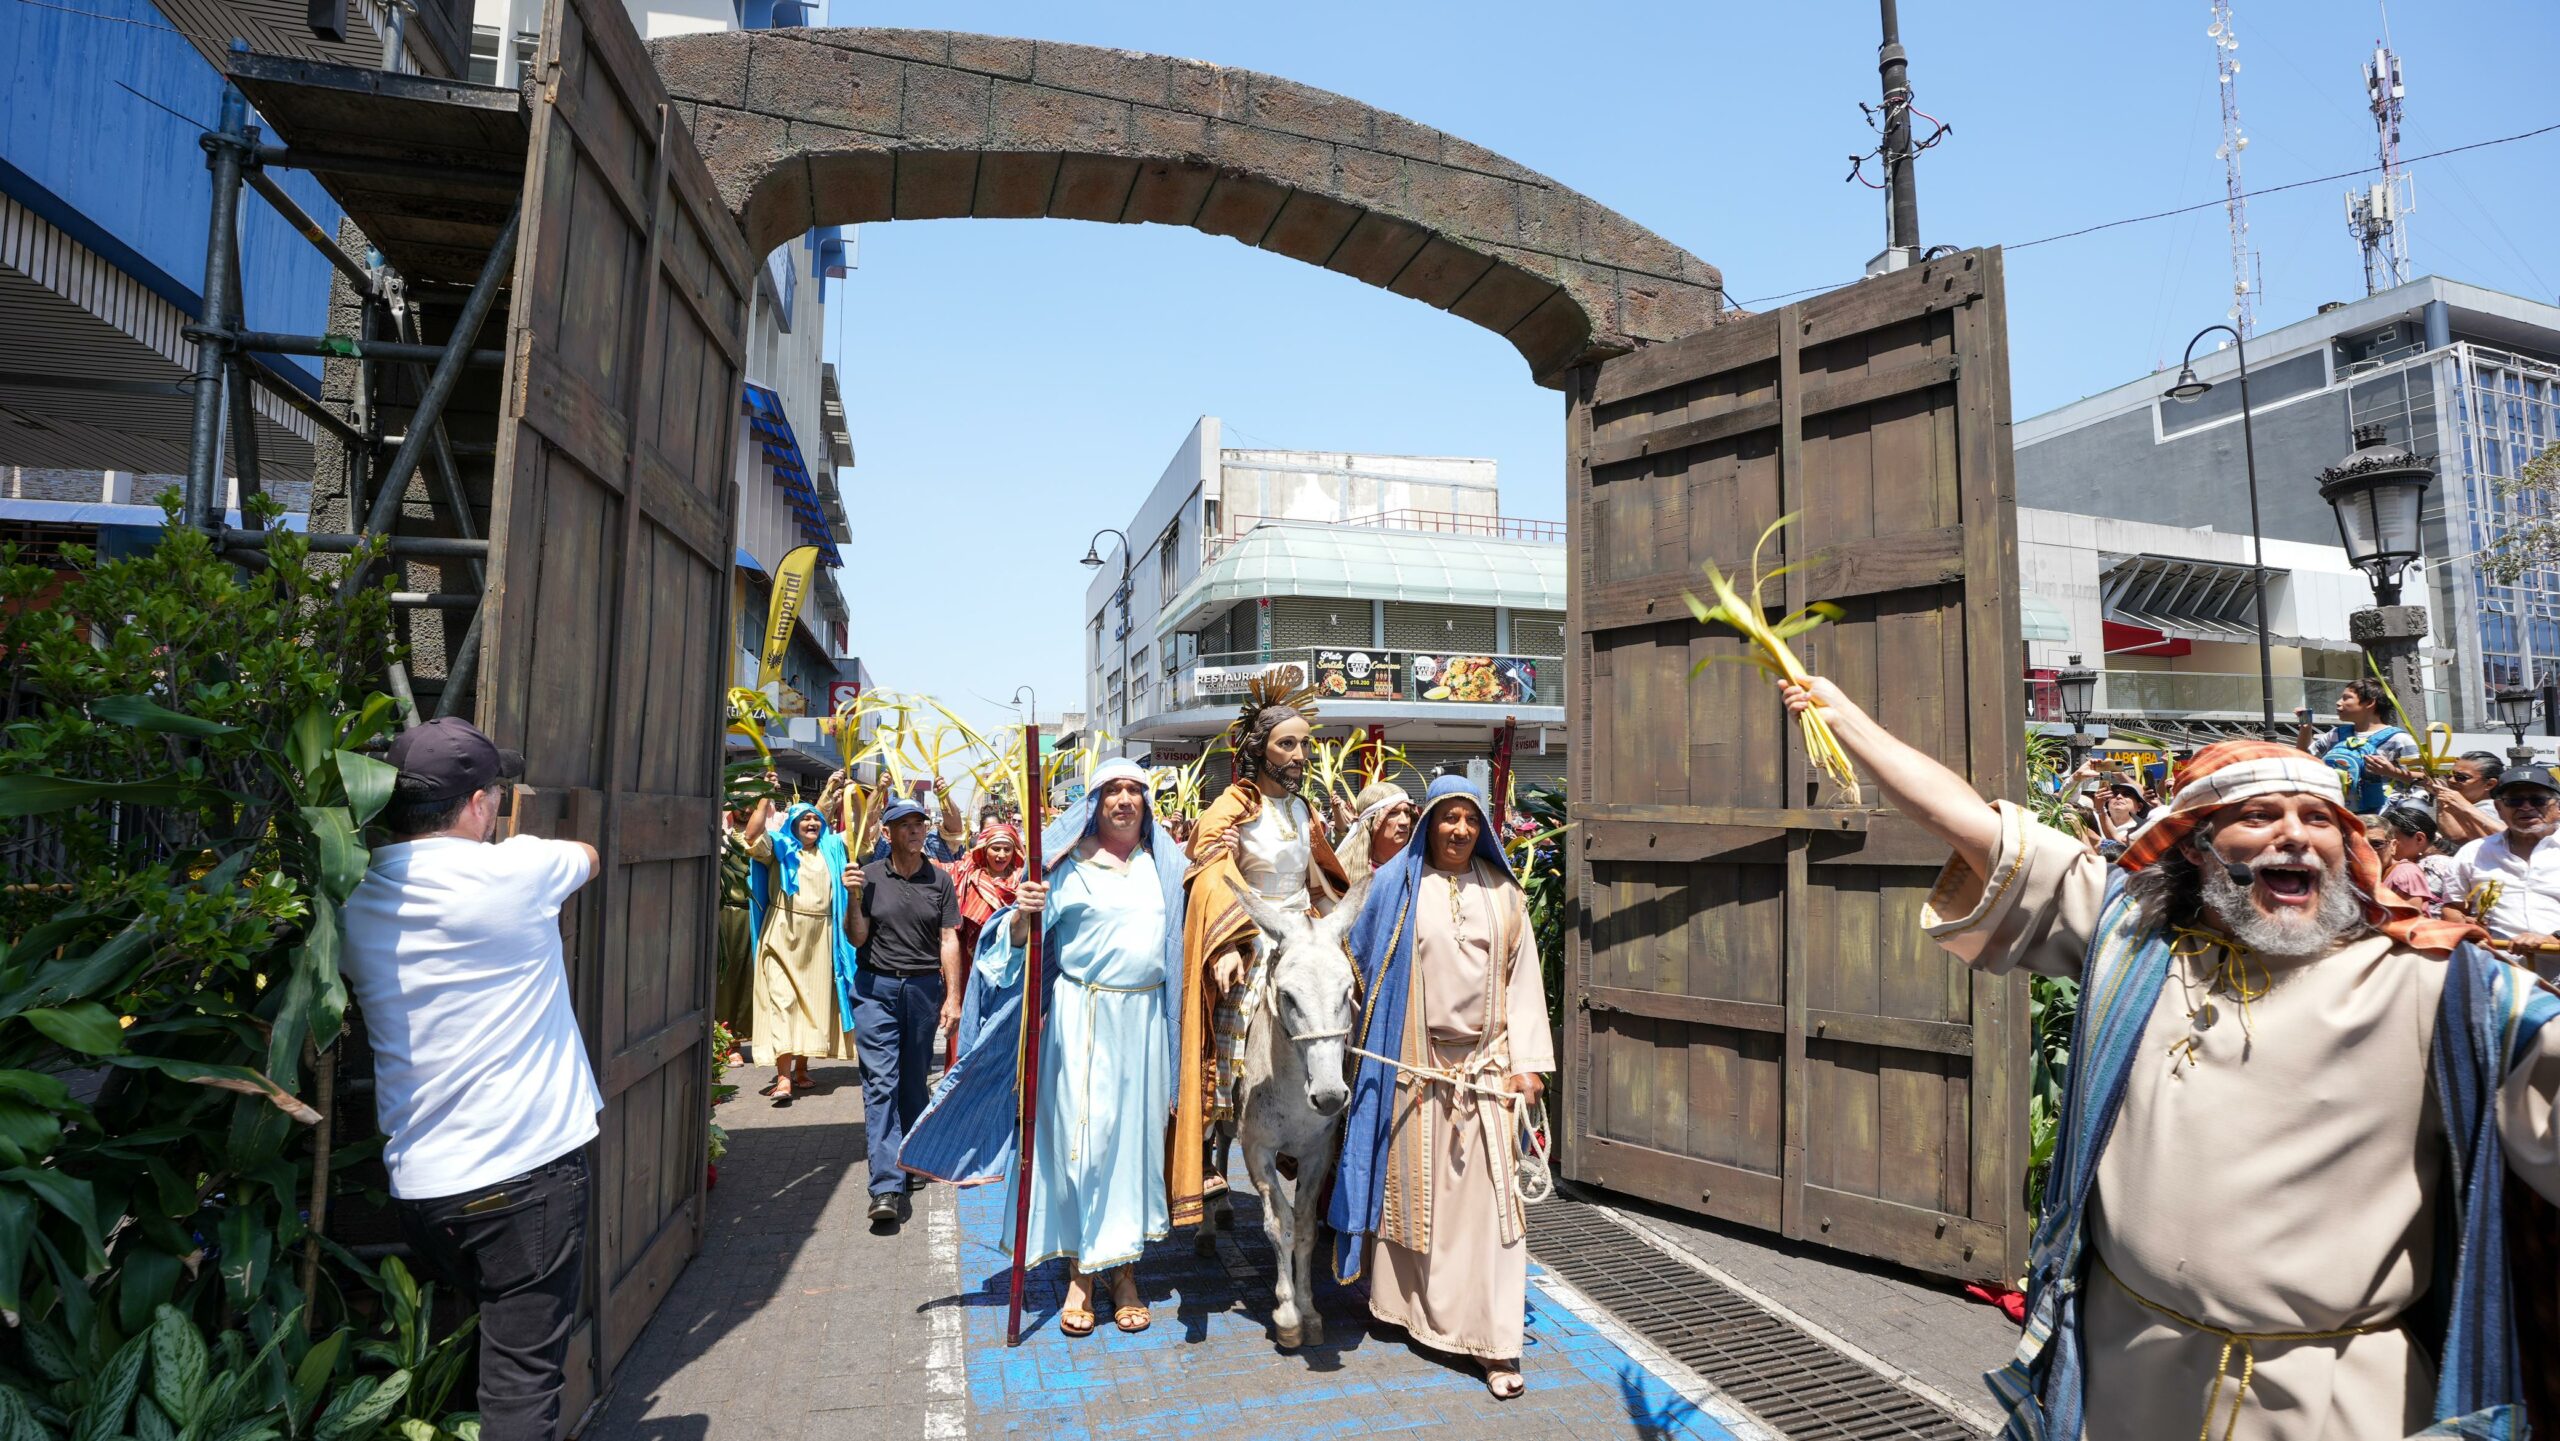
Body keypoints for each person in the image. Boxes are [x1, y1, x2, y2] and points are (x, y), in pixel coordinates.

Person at [1780, 674, 2559, 1440]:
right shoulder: (2134, 943)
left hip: (2339, 1396)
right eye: (2259, 814)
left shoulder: (2437, 983)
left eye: (2318, 818)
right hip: (2128, 1370)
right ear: (2196, 845)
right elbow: (1972, 825)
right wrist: (1844, 719)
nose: (2294, 833)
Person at [341, 718, 602, 1441]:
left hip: (425, 1191)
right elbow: (589, 854)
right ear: (481, 803)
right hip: (524, 1183)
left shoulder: (354, 897)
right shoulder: (517, 871)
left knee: (489, 1357)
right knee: (521, 1390)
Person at [902, 760, 1190, 1336]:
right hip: (1083, 1018)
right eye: (1113, 791)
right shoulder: (1066, 870)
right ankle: (1082, 1275)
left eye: (1134, 791)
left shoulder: (1165, 866)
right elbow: (1012, 949)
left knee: (1133, 1148)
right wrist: (1023, 915)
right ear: (1094, 805)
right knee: (1084, 1145)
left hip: (1146, 1023)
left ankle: (1123, 1272)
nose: (1125, 800)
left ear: (1146, 804)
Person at [1329, 775, 1554, 1401]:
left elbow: (1523, 982)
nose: (1460, 829)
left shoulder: (1504, 895)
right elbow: (1356, 965)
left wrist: (1528, 1065)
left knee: (1494, 1212)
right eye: (1449, 817)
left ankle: (1494, 1342)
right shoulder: (1396, 889)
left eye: (1471, 819)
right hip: (1413, 1067)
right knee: (1414, 1201)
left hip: (1485, 1071)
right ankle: (1406, 1311)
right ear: (1430, 822)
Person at [1174, 675, 1348, 1225]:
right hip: (1249, 934)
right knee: (1232, 1015)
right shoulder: (1233, 805)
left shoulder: (1303, 810)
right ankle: (1212, 1131)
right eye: (1286, 744)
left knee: (1348, 998)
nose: (1299, 755)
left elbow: (1320, 879)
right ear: (1259, 750)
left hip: (1304, 931)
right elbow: (1206, 867)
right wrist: (1229, 942)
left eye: (1304, 745)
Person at [847, 797, 962, 1227]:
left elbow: (948, 939)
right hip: (875, 988)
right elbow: (857, 938)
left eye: (919, 824)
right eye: (904, 824)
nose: (914, 831)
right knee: (881, 1083)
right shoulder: (869, 876)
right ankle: (886, 1186)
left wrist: (953, 997)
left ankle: (911, 1157)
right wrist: (853, 897)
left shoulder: (940, 879)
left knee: (913, 1082)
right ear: (887, 832)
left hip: (923, 989)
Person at [745, 802, 855, 1105]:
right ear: (792, 824)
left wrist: (871, 795)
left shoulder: (832, 848)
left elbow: (863, 832)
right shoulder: (777, 847)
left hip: (819, 939)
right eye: (805, 818)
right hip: (781, 934)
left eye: (815, 818)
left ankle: (802, 1068)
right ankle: (783, 1077)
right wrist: (764, 800)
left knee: (811, 1004)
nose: (811, 823)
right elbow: (751, 836)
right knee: (782, 1002)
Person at [2450, 764, 2560, 979]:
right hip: (2498, 977)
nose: (2526, 807)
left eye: (2537, 800)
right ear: (2499, 808)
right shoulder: (2473, 853)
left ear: (2557, 807)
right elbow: (2453, 906)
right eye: (2514, 801)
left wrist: (2552, 939)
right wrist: (2465, 925)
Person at [944, 822, 1024, 1066]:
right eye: (995, 848)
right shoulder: (967, 879)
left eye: (1007, 849)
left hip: (1013, 969)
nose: (1001, 855)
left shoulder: (1023, 882)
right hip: (973, 967)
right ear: (983, 850)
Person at [2294, 679, 2418, 814]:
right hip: (2341, 812)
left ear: (2370, 703)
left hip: (2383, 816)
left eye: (2346, 698)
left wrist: (2393, 772)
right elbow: (2303, 758)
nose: (2338, 702)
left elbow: (2424, 780)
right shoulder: (2336, 734)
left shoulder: (2399, 739)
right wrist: (2305, 727)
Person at [1336, 780, 1417, 886]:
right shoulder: (1341, 871)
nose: (1404, 821)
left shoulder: (1420, 866)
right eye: (1393, 813)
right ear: (1372, 821)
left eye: (1407, 812)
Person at [2432, 751, 2509, 844]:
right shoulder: (2461, 804)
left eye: (2461, 777)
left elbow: (2456, 836)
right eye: (2449, 775)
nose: (2451, 780)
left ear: (2489, 784)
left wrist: (2442, 796)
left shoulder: (2490, 809)